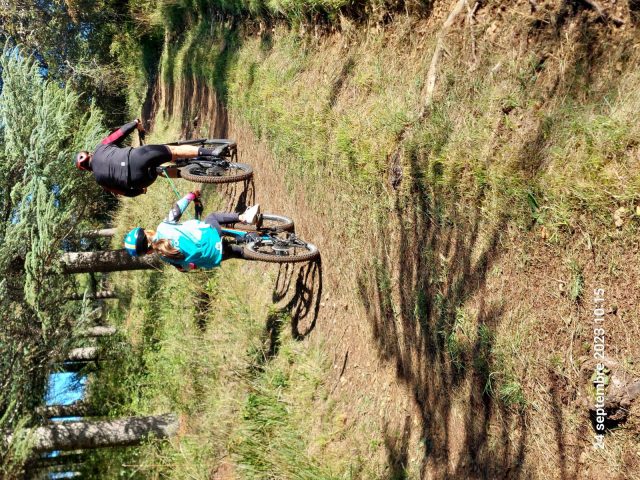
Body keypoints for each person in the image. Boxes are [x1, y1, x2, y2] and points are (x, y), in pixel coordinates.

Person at [75, 119, 224, 197]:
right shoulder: (100, 148)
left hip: (140, 181)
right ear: (90, 154)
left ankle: (192, 173)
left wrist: (141, 191)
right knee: (173, 150)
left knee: (159, 172)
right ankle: (212, 153)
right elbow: (120, 133)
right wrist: (135, 123)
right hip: (136, 158)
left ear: (88, 169)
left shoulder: (100, 181)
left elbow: (124, 193)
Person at [124, 190, 259, 271]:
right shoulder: (162, 227)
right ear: (147, 232)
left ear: (148, 252)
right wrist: (191, 195)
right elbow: (178, 208)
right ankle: (244, 217)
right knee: (212, 217)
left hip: (213, 257)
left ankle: (260, 255)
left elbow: (187, 268)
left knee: (237, 252)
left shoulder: (164, 256)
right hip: (210, 236)